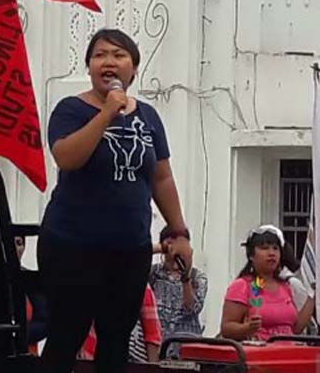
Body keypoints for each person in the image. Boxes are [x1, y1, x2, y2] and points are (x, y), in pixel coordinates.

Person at [39, 29, 192, 373]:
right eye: (100, 55)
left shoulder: (149, 117)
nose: (109, 61)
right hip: (72, 246)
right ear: (90, 67)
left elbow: (161, 177)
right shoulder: (71, 109)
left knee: (115, 339)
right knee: (67, 335)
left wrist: (179, 232)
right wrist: (107, 113)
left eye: (119, 55)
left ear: (134, 69)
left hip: (129, 249)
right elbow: (66, 156)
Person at [220, 225, 314, 341]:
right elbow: (226, 328)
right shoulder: (242, 286)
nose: (271, 253)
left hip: (288, 354)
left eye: (275, 248)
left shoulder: (286, 287)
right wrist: (246, 328)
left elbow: (295, 329)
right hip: (258, 355)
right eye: (264, 248)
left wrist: (312, 296)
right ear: (251, 255)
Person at [150, 226, 208, 339]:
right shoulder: (153, 273)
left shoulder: (197, 277)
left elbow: (192, 309)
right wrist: (161, 248)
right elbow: (134, 256)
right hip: (158, 342)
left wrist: (185, 276)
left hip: (186, 344)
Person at [80, 285, 162, 363]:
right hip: (91, 360)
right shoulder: (91, 282)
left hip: (133, 363)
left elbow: (152, 335)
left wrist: (152, 368)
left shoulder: (140, 286)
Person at [15, 236, 47, 354]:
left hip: (26, 355)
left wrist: (17, 333)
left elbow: (44, 323)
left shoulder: (31, 279)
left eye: (18, 243)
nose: (14, 248)